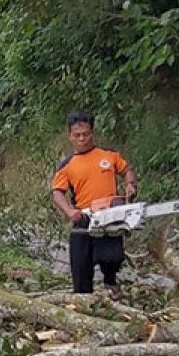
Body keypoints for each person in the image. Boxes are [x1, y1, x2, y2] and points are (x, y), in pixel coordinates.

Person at [50, 111, 138, 297]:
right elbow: (57, 192)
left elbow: (127, 170)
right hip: (84, 218)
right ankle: (83, 303)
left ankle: (110, 282)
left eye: (85, 134)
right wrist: (69, 210)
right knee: (81, 267)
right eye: (77, 135)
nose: (82, 139)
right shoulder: (67, 165)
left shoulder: (108, 155)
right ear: (70, 136)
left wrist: (130, 184)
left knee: (111, 257)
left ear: (92, 133)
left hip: (109, 215)